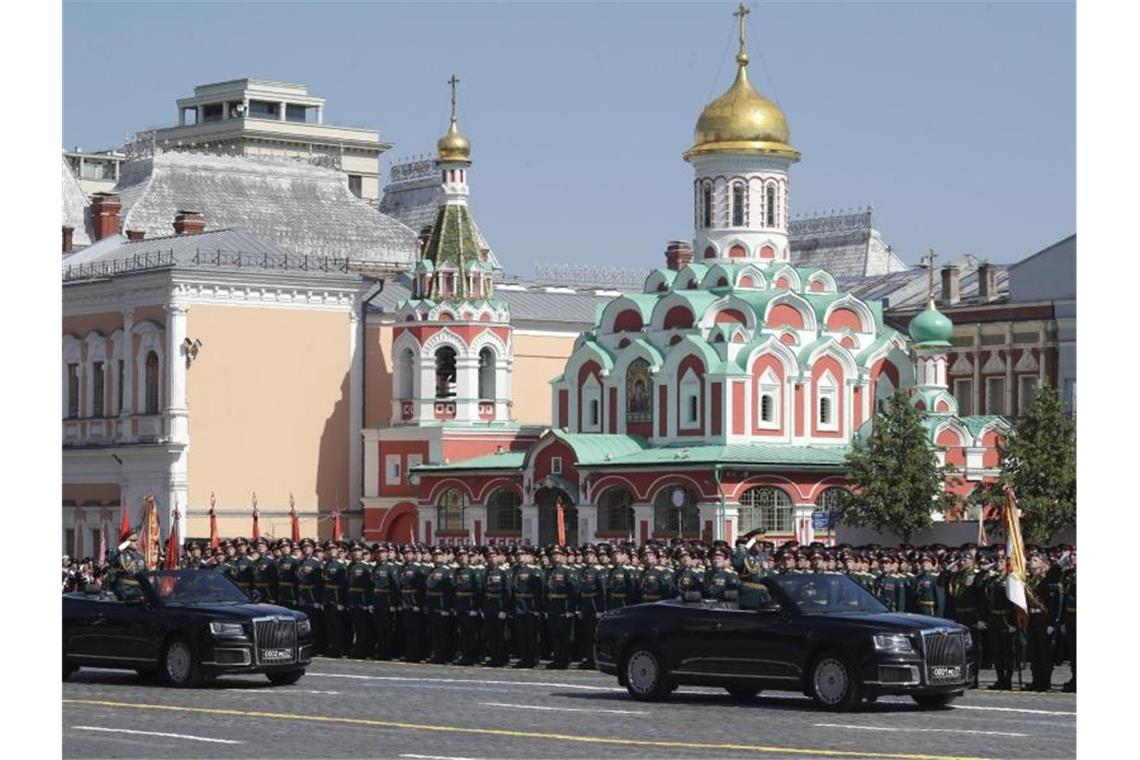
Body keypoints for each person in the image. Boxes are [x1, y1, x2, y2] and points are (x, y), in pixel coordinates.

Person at [1024, 550, 1057, 691]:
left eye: (1035, 560)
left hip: (1043, 619)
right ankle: (1035, 680)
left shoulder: (1047, 580)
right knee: (1033, 651)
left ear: (1042, 563)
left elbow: (1054, 602)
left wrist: (1051, 623)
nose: (1031, 562)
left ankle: (1045, 682)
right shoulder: (1029, 580)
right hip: (1031, 618)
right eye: (1030, 560)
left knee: (1044, 652)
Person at [544, 546, 579, 669]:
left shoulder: (567, 571)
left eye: (558, 554)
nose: (555, 556)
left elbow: (573, 592)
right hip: (552, 607)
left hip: (563, 606)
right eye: (553, 555)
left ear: (563, 556)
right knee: (555, 635)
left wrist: (571, 609)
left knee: (565, 636)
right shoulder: (548, 571)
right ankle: (557, 659)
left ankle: (564, 660)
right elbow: (545, 591)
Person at [482, 545, 514, 667]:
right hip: (489, 606)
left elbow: (507, 591)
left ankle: (502, 657)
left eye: (494, 556)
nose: (491, 558)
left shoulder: (503, 571)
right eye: (489, 556)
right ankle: (494, 657)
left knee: (501, 635)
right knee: (491, 634)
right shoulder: (486, 571)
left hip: (499, 606)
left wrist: (505, 609)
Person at [512, 546, 544, 668]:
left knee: (531, 635)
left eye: (522, 554)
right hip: (518, 607)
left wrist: (537, 608)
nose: (519, 557)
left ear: (527, 556)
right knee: (521, 635)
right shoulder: (513, 570)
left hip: (530, 607)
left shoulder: (534, 571)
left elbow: (539, 591)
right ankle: (524, 658)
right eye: (517, 555)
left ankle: (532, 658)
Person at [575, 544, 606, 668]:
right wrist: (579, 608)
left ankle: (596, 660)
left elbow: (603, 591)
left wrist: (601, 609)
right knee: (587, 635)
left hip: (594, 605)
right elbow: (579, 590)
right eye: (586, 555)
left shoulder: (599, 571)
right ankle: (589, 659)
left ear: (595, 556)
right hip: (585, 605)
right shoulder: (583, 571)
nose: (588, 557)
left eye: (590, 555)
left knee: (595, 636)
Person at [425, 546, 456, 664]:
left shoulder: (447, 571)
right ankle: (437, 654)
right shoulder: (432, 571)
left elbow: (450, 591)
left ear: (444, 557)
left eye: (439, 555)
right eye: (435, 555)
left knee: (443, 633)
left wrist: (447, 608)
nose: (437, 557)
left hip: (441, 606)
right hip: (432, 605)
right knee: (435, 633)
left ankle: (444, 656)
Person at [453, 546, 483, 665]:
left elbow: (478, 590)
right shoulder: (456, 571)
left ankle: (472, 656)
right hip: (460, 606)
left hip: (470, 606)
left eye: (464, 555)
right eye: (459, 555)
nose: (462, 557)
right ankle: (465, 655)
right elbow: (454, 590)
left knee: (471, 634)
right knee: (463, 633)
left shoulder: (473, 571)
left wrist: (475, 608)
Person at [346, 542, 374, 659]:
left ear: (362, 552)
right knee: (356, 627)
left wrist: (368, 603)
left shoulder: (366, 567)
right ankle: (358, 649)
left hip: (362, 602)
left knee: (363, 629)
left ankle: (362, 651)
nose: (356, 553)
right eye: (354, 551)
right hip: (353, 601)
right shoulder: (350, 566)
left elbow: (369, 587)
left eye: (358, 551)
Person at [321, 541, 350, 658]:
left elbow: (344, 585)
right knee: (330, 625)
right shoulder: (327, 564)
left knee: (338, 625)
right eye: (329, 549)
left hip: (337, 598)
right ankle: (332, 646)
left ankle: (338, 648)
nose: (331, 551)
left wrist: (342, 602)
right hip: (328, 598)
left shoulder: (340, 565)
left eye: (333, 549)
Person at [104, 533, 147, 601]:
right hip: (125, 588)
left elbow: (145, 573)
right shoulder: (120, 555)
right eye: (133, 540)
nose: (136, 542)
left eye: (137, 540)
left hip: (139, 588)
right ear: (126, 542)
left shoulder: (140, 556)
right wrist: (119, 549)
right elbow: (109, 558)